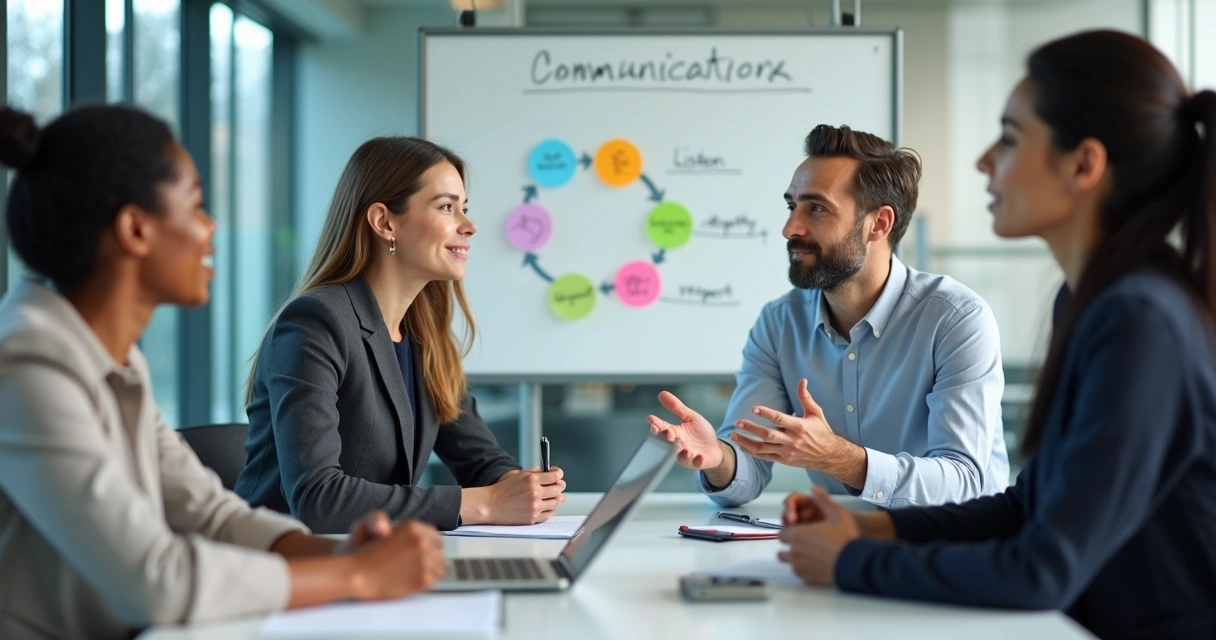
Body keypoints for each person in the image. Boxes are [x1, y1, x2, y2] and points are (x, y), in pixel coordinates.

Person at [776, 30, 1216, 640]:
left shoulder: (1139, 318)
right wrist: (870, 529)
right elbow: (1028, 506)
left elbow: (1043, 569)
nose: (985, 160)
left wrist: (850, 562)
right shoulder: (1090, 301)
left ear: (1083, 165)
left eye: (1009, 138)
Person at [0, 105, 447, 640]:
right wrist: (354, 574)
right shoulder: (25, 364)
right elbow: (157, 579)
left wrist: (334, 551)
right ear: (135, 229)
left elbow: (212, 514)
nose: (211, 229)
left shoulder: (111, 354)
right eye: (196, 207)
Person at [649, 125, 1009, 508]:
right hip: (837, 540)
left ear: (879, 224)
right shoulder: (779, 324)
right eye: (792, 206)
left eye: (816, 208)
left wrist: (837, 457)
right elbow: (747, 469)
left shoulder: (955, 319)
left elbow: (965, 481)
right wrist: (719, 459)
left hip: (954, 543)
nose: (790, 228)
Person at [236, 137, 566, 534]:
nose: (469, 225)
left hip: (372, 560)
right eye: (447, 207)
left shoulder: (424, 334)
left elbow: (478, 459)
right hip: (288, 564)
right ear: (385, 222)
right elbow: (318, 498)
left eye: (464, 207)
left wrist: (520, 488)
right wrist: (486, 503)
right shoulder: (315, 322)